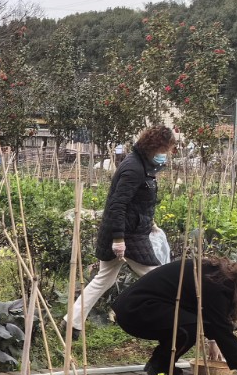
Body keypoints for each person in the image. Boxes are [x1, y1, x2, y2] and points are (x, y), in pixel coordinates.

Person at [69, 126, 176, 334]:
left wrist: (150, 222)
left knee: (104, 279)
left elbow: (137, 202)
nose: (167, 154)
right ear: (156, 146)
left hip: (130, 231)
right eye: (166, 149)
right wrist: (118, 239)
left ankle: (71, 321)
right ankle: (171, 323)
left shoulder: (143, 165)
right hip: (128, 235)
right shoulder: (134, 168)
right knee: (160, 278)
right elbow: (117, 204)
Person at [113, 255, 237, 375]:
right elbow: (222, 330)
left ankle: (160, 362)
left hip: (140, 306)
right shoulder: (219, 287)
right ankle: (161, 367)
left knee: (191, 323)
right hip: (136, 310)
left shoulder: (220, 276)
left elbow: (208, 314)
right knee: (191, 327)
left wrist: (212, 341)